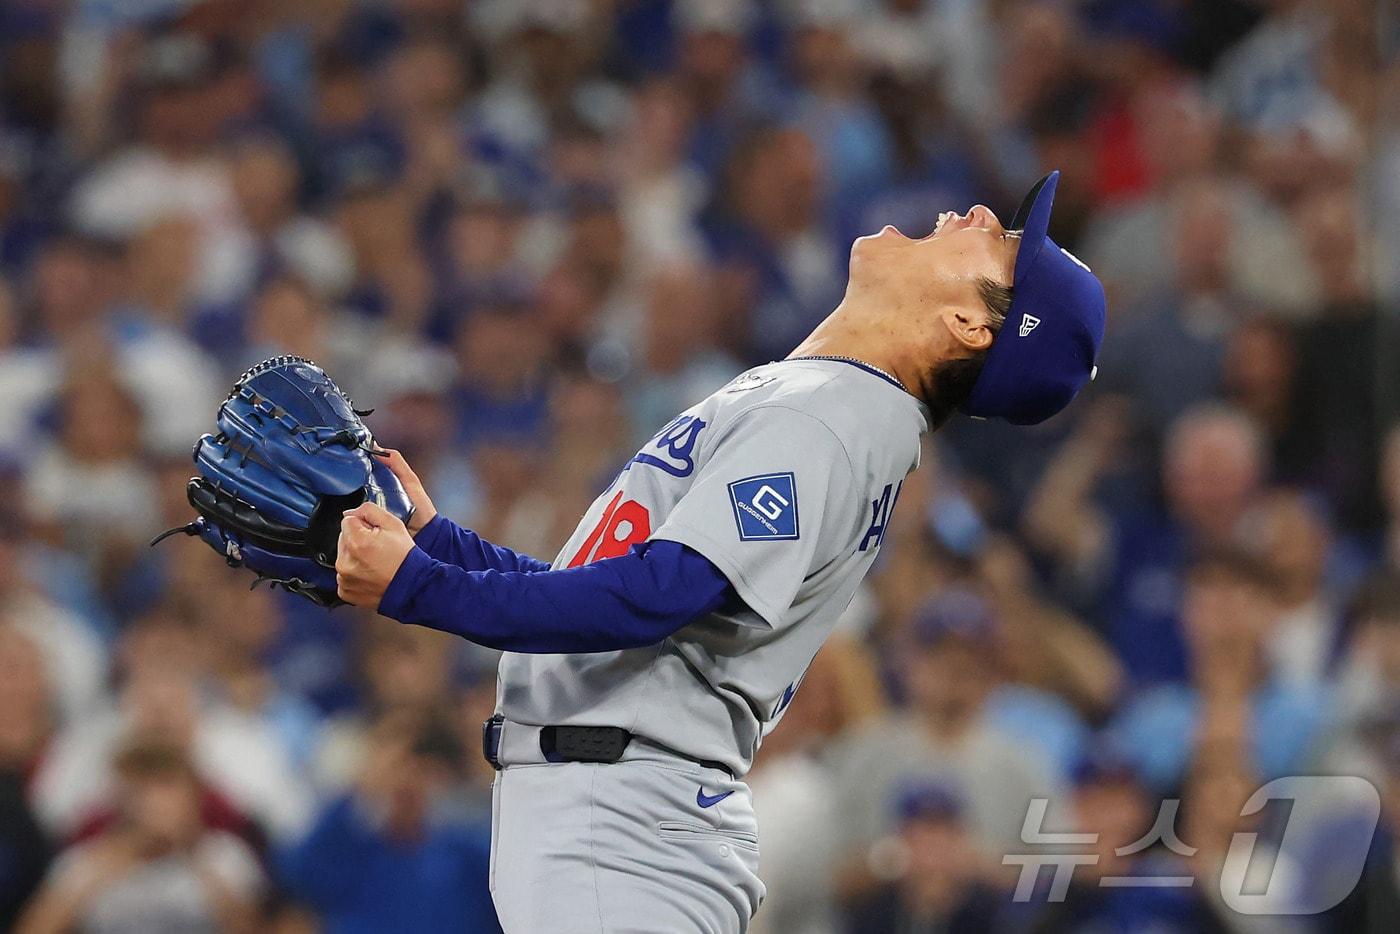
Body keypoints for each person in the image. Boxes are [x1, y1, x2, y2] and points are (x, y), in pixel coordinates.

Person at [331, 171, 1106, 932]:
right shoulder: (832, 400)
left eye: (1001, 244)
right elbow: (613, 589)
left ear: (971, 327)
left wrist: (421, 587)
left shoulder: (837, 416)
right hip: (617, 813)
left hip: (626, 826)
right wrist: (444, 549)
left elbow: (655, 596)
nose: (976, 211)